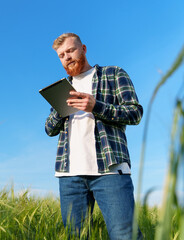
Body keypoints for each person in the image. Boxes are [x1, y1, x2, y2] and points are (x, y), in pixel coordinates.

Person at [45, 33, 143, 239]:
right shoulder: (62, 89)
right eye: (61, 55)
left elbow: (134, 113)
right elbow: (49, 129)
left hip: (110, 169)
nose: (67, 57)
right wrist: (60, 109)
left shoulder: (114, 74)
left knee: (125, 235)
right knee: (75, 236)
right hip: (69, 175)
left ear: (84, 49)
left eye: (70, 50)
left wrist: (96, 106)